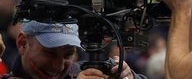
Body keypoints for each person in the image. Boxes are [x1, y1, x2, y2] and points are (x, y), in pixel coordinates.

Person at [1, 20, 145, 79]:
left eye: (68, 54)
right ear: (22, 44)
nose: (58, 66)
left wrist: (130, 76)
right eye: (50, 52)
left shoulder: (84, 72)